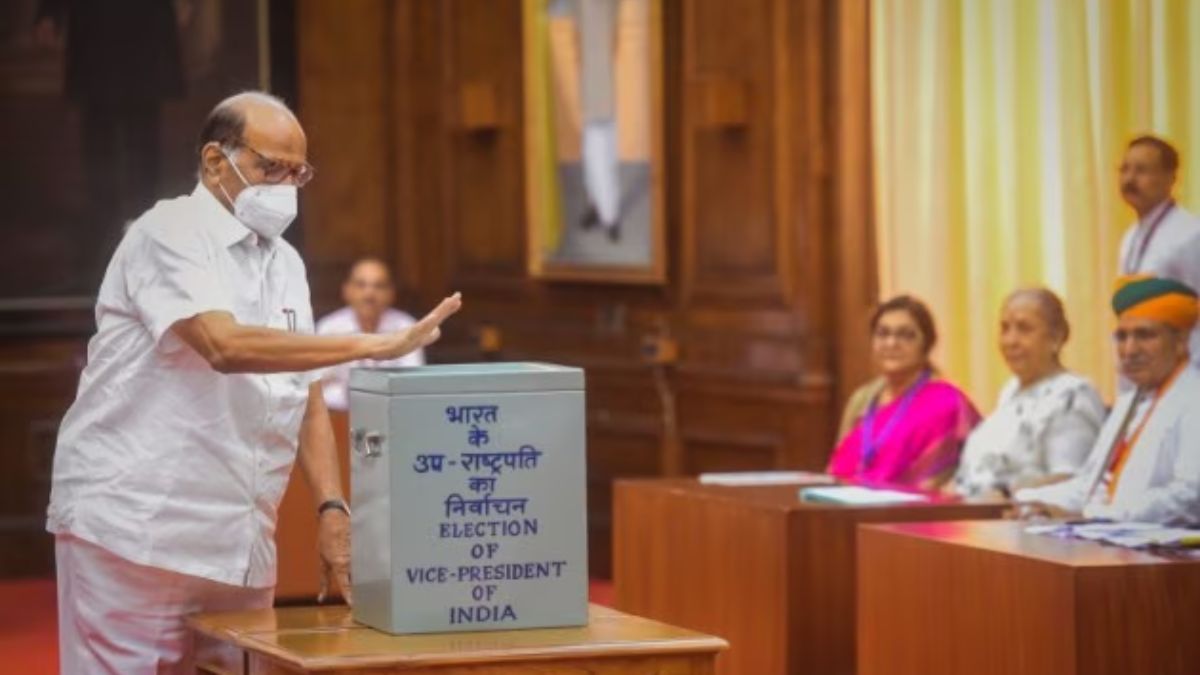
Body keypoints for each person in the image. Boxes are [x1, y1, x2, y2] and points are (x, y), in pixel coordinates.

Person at [46, 91, 463, 674]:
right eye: (272, 168)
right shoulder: (167, 232)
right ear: (217, 161)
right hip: (138, 530)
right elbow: (225, 345)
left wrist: (331, 507)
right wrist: (376, 345)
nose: (286, 186)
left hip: (241, 539)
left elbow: (306, 387)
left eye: (299, 173)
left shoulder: (286, 262)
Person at [1016, 275, 1200, 526]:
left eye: (1144, 335)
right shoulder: (1129, 402)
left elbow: (1190, 499)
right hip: (1116, 547)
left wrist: (1096, 515)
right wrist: (1032, 500)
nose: (1129, 350)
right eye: (1122, 337)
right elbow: (1091, 486)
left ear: (1180, 342)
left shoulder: (1193, 397)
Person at [953, 289, 1106, 497]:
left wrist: (1006, 494)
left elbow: (1072, 479)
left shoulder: (1071, 395)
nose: (1010, 341)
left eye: (1024, 329)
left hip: (1021, 523)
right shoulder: (1011, 390)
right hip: (972, 516)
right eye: (1005, 328)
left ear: (1057, 337)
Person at [828, 295, 980, 490]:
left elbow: (968, 472)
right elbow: (836, 469)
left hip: (914, 514)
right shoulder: (863, 399)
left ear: (927, 344)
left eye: (906, 335)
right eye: (882, 334)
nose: (891, 343)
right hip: (846, 508)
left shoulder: (947, 402)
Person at [1116, 135, 1200, 366]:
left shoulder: (1191, 234)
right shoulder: (1129, 237)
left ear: (1170, 178)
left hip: (1187, 373)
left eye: (1141, 170)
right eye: (1124, 170)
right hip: (1141, 370)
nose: (1129, 179)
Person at [316, 258, 425, 411]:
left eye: (379, 286)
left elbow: (414, 385)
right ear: (347, 290)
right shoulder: (329, 328)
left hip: (394, 413)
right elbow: (316, 387)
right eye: (361, 285)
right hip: (339, 417)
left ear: (391, 293)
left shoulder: (406, 327)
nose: (369, 294)